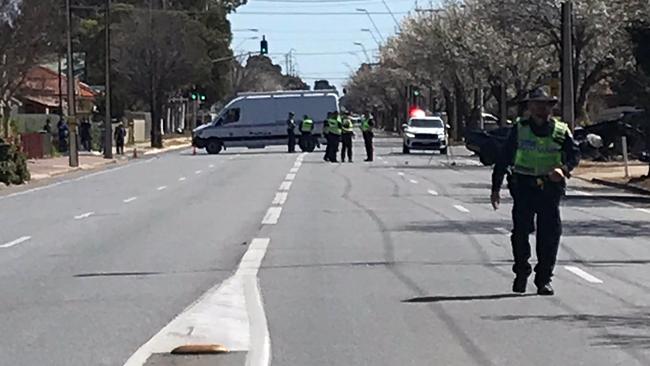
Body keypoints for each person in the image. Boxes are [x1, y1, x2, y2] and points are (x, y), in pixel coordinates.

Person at [490, 88, 580, 296]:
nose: (542, 108)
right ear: (529, 107)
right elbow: (504, 158)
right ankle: (522, 271)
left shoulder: (560, 130)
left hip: (550, 188)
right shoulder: (519, 129)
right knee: (521, 232)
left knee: (549, 235)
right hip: (523, 187)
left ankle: (544, 279)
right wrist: (496, 188)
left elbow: (574, 155)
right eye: (537, 104)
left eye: (547, 104)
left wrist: (563, 169)